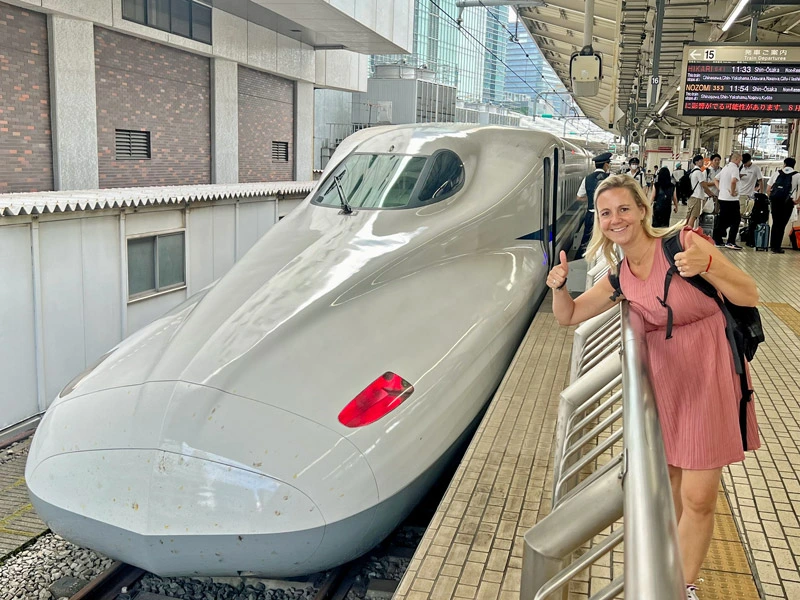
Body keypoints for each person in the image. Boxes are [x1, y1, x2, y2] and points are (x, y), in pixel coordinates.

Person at [545, 174, 760, 600]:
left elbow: (749, 294)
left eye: (624, 209)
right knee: (673, 484)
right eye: (606, 213)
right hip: (666, 383)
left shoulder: (684, 244)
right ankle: (667, 569)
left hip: (709, 372)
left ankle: (683, 586)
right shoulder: (621, 276)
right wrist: (558, 288)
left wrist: (711, 266)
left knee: (699, 496)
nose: (615, 219)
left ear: (643, 210)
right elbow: (569, 316)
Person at [575, 151, 612, 258]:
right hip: (606, 216)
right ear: (606, 164)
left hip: (591, 215)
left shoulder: (587, 179)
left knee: (586, 241)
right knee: (607, 240)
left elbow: (579, 197)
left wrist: (591, 198)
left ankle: (581, 259)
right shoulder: (611, 178)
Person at [765, 157, 800, 253]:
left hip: (775, 201)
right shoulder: (797, 175)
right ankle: (777, 247)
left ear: (784, 164)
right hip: (788, 202)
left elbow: (768, 189)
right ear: (794, 165)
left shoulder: (777, 173)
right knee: (782, 224)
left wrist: (771, 198)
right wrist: (797, 201)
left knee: (775, 223)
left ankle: (772, 245)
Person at [713, 152, 743, 250]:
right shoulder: (734, 168)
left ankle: (717, 240)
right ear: (736, 159)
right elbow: (733, 181)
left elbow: (715, 179)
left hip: (722, 198)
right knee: (736, 220)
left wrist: (721, 189)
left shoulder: (725, 168)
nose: (740, 162)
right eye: (740, 160)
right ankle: (730, 241)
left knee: (723, 220)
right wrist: (732, 192)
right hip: (731, 199)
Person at [685, 155, 706, 229]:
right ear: (696, 162)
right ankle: (689, 232)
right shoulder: (698, 172)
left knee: (689, 215)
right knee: (693, 216)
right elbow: (703, 184)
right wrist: (710, 193)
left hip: (691, 196)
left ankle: (684, 231)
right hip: (696, 197)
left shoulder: (692, 171)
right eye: (700, 160)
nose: (702, 162)